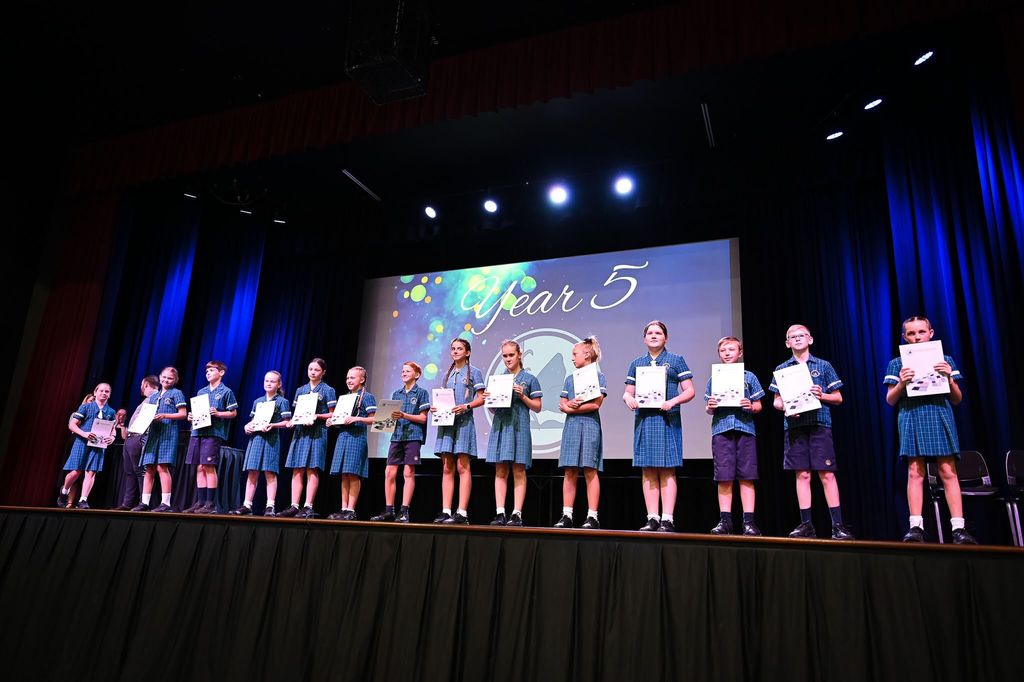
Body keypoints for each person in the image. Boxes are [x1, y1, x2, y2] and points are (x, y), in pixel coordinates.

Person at [884, 316, 977, 544]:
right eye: (912, 333)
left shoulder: (945, 359)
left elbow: (957, 399)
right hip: (912, 416)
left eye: (921, 332)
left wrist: (949, 379)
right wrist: (901, 383)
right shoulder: (897, 363)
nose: (917, 337)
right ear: (905, 337)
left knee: (947, 471)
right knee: (915, 472)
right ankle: (916, 527)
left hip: (939, 414)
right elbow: (890, 400)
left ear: (930, 333)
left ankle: (958, 528)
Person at [769, 324, 854, 540]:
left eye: (802, 335)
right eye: (793, 337)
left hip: (819, 424)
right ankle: (806, 524)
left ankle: (837, 525)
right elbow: (776, 401)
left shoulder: (823, 366)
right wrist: (786, 407)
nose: (797, 339)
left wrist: (821, 395)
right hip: (795, 426)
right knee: (803, 474)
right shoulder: (782, 369)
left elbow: (838, 397)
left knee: (826, 474)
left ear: (810, 339)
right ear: (787, 343)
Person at [623, 321, 695, 532]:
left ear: (666, 337)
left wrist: (673, 402)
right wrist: (628, 398)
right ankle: (652, 518)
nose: (654, 336)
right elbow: (628, 392)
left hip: (667, 419)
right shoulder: (637, 363)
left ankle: (667, 519)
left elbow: (689, 390)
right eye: (650, 333)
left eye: (658, 333)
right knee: (647, 468)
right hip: (645, 419)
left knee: (667, 468)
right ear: (644, 338)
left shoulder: (676, 360)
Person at [704, 336, 764, 536]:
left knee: (747, 476)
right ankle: (725, 521)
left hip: (745, 429)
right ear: (719, 354)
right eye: (723, 350)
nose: (727, 353)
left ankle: (749, 522)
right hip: (721, 430)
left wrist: (750, 406)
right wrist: (710, 406)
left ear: (740, 352)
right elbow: (709, 409)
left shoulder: (749, 377)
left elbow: (759, 405)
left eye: (731, 349)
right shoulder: (714, 379)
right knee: (724, 477)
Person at [486, 340, 542, 527]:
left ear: (519, 355)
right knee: (500, 470)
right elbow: (493, 410)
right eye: (505, 356)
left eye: (511, 355)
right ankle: (500, 512)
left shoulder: (530, 378)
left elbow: (538, 407)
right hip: (501, 425)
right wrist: (490, 400)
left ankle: (516, 513)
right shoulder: (498, 379)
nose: (508, 359)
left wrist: (523, 396)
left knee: (518, 469)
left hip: (519, 427)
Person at [554, 337, 606, 530]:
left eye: (575, 354)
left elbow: (596, 404)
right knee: (570, 469)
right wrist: (568, 405)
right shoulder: (570, 378)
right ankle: (567, 514)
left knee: (590, 469)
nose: (572, 358)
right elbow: (562, 403)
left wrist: (571, 409)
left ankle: (592, 516)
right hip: (572, 426)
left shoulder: (599, 377)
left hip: (590, 424)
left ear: (587, 354)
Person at [431, 339, 485, 525]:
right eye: (453, 348)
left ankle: (462, 512)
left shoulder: (474, 372)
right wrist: (436, 408)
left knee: (463, 466)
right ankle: (446, 511)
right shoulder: (447, 374)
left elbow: (481, 398)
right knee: (447, 466)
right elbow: (442, 398)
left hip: (463, 423)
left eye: (459, 349)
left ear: (467, 352)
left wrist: (466, 406)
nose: (455, 351)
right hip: (446, 424)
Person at [371, 362, 430, 523]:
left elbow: (423, 418)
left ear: (417, 374)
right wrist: (383, 419)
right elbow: (388, 419)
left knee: (408, 473)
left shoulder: (422, 393)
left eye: (408, 371)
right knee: (389, 472)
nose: (404, 373)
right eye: (403, 371)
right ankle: (389, 510)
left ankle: (404, 511)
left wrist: (404, 415)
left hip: (413, 436)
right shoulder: (396, 394)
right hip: (397, 436)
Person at [279, 358, 336, 519]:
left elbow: (332, 414)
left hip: (317, 432)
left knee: (312, 468)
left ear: (323, 372)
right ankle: (294, 505)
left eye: (316, 370)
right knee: (297, 468)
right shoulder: (301, 390)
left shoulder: (328, 390)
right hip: (300, 432)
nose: (313, 372)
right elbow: (297, 412)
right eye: (310, 369)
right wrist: (292, 421)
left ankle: (308, 506)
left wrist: (316, 415)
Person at [230, 370, 292, 516]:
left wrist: (273, 425)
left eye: (272, 381)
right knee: (252, 471)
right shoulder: (258, 401)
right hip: (256, 439)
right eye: (266, 381)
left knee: (270, 472)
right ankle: (247, 505)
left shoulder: (282, 402)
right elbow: (253, 421)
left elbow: (287, 422)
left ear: (279, 384)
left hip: (271, 440)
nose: (268, 383)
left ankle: (270, 506)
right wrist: (247, 426)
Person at [182, 360, 237, 514]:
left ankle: (210, 503)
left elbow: (233, 413)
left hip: (213, 432)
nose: (208, 373)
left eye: (212, 370)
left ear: (221, 372)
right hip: (198, 431)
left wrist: (219, 413)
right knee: (199, 466)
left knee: (208, 466)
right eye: (207, 371)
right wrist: (191, 416)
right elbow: (198, 411)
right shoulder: (202, 391)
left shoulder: (226, 391)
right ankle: (200, 502)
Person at [132, 367, 188, 512]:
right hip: (153, 433)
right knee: (149, 467)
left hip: (167, 433)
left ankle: (165, 503)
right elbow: (147, 414)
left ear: (175, 380)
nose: (166, 380)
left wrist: (164, 415)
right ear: (160, 376)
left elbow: (183, 414)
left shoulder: (176, 393)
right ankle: (144, 502)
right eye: (164, 377)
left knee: (162, 467)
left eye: (169, 378)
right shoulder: (154, 396)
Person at [57, 382, 117, 509]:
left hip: (98, 445)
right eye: (101, 390)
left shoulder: (111, 411)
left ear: (110, 394)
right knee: (76, 472)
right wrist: (84, 434)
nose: (104, 393)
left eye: (107, 391)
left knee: (91, 472)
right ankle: (64, 491)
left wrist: (112, 437)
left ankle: (83, 500)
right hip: (82, 442)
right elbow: (72, 425)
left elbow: (113, 429)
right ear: (95, 392)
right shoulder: (86, 407)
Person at [327, 367, 376, 520]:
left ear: (362, 380)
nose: (349, 380)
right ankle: (343, 508)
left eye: (352, 378)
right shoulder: (345, 398)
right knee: (344, 473)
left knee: (353, 473)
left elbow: (374, 418)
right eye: (347, 378)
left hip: (357, 438)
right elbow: (340, 419)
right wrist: (332, 421)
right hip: (343, 437)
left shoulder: (367, 397)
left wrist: (357, 418)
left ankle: (351, 509)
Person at [113, 375, 160, 510]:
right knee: (130, 472)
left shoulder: (155, 398)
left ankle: (143, 503)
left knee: (140, 471)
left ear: (145, 384)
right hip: (130, 438)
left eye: (141, 385)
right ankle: (127, 503)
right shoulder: (146, 400)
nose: (141, 387)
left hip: (139, 437)